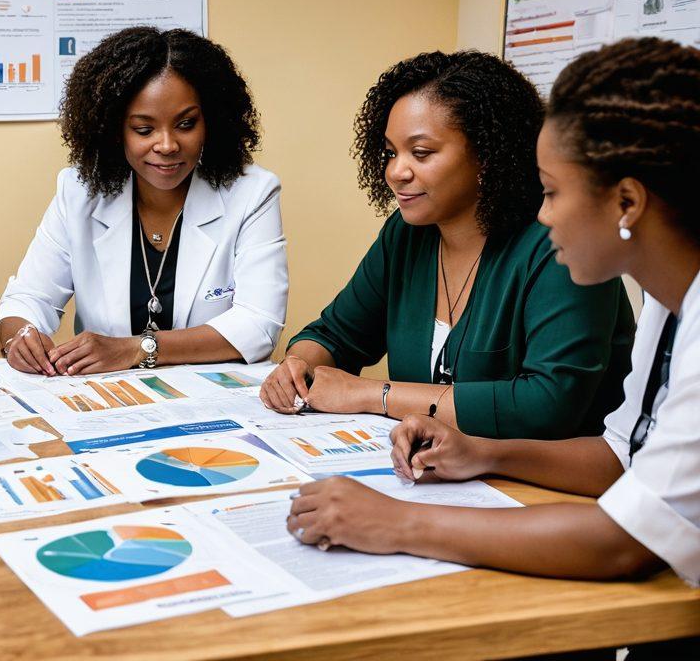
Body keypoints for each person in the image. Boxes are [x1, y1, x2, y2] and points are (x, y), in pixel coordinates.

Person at [287, 38, 700, 657]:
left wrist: (397, 522)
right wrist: (483, 452)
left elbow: (623, 541)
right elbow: (621, 458)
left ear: (627, 203)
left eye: (553, 192)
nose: (546, 214)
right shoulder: (670, 309)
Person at [260, 50, 634, 438]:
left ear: (487, 154)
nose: (396, 171)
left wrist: (375, 394)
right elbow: (335, 334)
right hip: (449, 471)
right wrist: (297, 366)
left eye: (420, 153)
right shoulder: (406, 234)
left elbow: (547, 404)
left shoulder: (559, 242)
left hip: (553, 483)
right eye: (390, 152)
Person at [0, 27, 287, 375]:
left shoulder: (252, 193)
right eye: (144, 129)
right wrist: (21, 337)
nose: (166, 145)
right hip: (108, 401)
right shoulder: (79, 192)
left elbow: (259, 325)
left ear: (212, 122)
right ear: (113, 130)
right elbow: (27, 299)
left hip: (214, 402)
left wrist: (136, 349)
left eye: (186, 124)